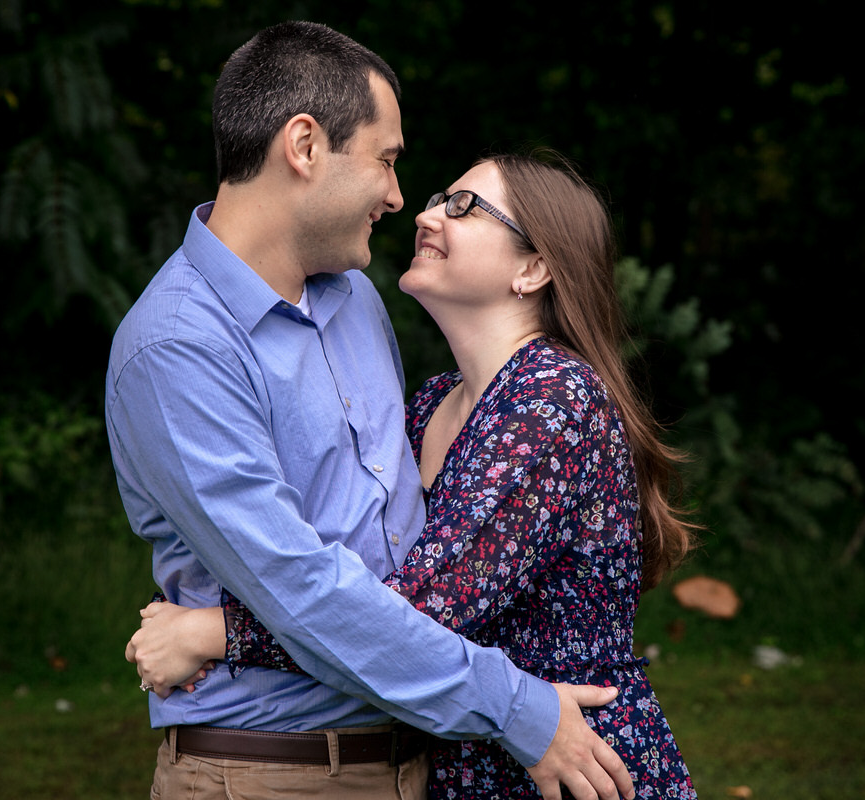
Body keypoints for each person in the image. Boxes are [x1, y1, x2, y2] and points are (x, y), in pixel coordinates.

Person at [108, 20, 634, 800]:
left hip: (420, 760)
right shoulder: (178, 348)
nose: (399, 197)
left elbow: (413, 572)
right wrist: (517, 709)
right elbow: (303, 593)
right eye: (386, 160)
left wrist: (212, 632)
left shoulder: (354, 298)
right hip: (273, 772)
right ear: (304, 146)